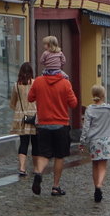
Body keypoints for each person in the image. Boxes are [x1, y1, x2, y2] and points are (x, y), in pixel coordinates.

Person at [26, 64, 79, 197]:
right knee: (59, 156)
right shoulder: (65, 83)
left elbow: (30, 98)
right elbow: (73, 104)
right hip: (61, 125)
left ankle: (38, 173)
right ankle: (55, 187)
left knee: (44, 155)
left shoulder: (38, 81)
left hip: (43, 124)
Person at [79, 83, 110, 202]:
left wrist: (82, 141)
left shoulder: (90, 109)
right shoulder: (109, 108)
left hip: (93, 141)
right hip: (106, 141)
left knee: (95, 165)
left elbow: (86, 127)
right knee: (103, 165)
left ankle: (96, 187)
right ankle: (99, 186)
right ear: (103, 95)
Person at [8, 63, 38, 177]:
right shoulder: (35, 83)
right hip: (34, 116)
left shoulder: (16, 85)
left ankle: (22, 167)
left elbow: (12, 103)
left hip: (21, 117)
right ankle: (36, 168)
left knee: (23, 143)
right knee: (36, 143)